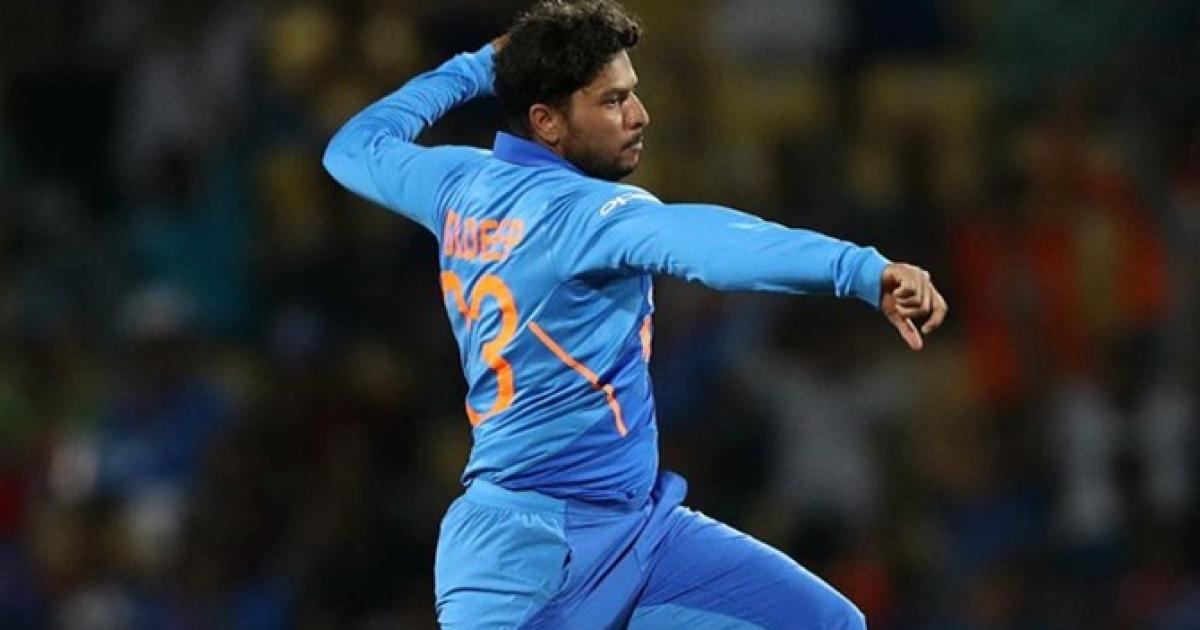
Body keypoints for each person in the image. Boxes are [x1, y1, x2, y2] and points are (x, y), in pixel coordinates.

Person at [323, 1, 947, 627]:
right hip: (527, 557)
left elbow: (353, 149)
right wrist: (860, 270)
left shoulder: (458, 182)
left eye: (632, 93)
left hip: (640, 532)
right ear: (546, 121)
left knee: (827, 622)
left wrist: (476, 67)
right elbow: (708, 242)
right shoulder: (579, 215)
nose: (639, 115)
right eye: (613, 101)